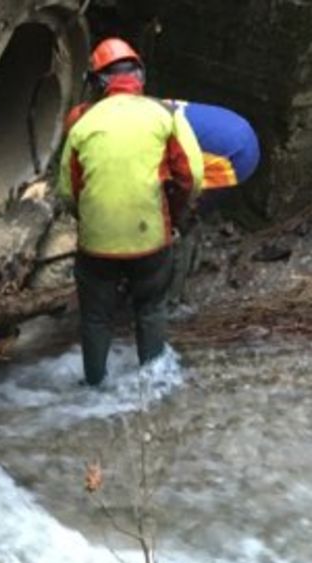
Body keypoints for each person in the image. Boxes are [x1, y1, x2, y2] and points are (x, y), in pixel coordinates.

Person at [56, 38, 205, 386]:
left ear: (97, 81)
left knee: (95, 318)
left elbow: (67, 190)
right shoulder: (165, 115)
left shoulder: (81, 122)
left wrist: (89, 218)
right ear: (139, 76)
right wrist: (177, 213)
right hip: (150, 239)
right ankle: (151, 388)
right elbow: (192, 176)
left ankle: (93, 386)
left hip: (96, 246)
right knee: (151, 309)